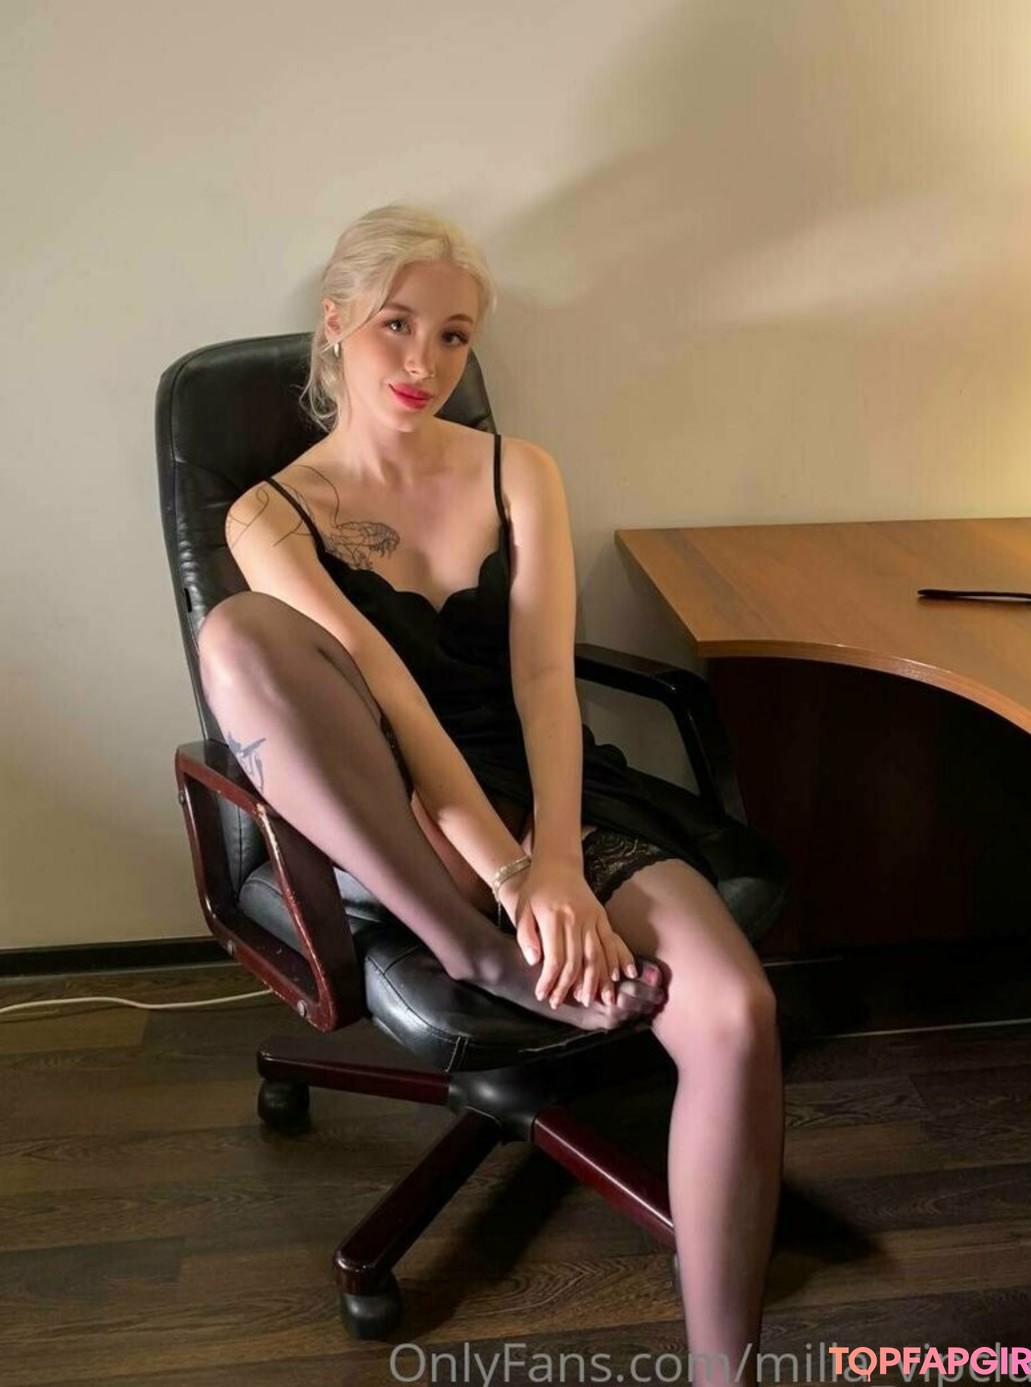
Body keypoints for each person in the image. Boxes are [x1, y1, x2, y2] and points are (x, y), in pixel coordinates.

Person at [197, 205, 783, 1384]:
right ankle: (471, 951)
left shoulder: (522, 470)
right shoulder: (269, 511)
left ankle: (727, 1368)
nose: (425, 362)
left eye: (455, 336)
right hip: (393, 807)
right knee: (237, 633)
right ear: (336, 324)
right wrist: (511, 886)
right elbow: (390, 698)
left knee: (735, 1014)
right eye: (396, 325)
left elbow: (543, 682)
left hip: (553, 792)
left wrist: (559, 857)